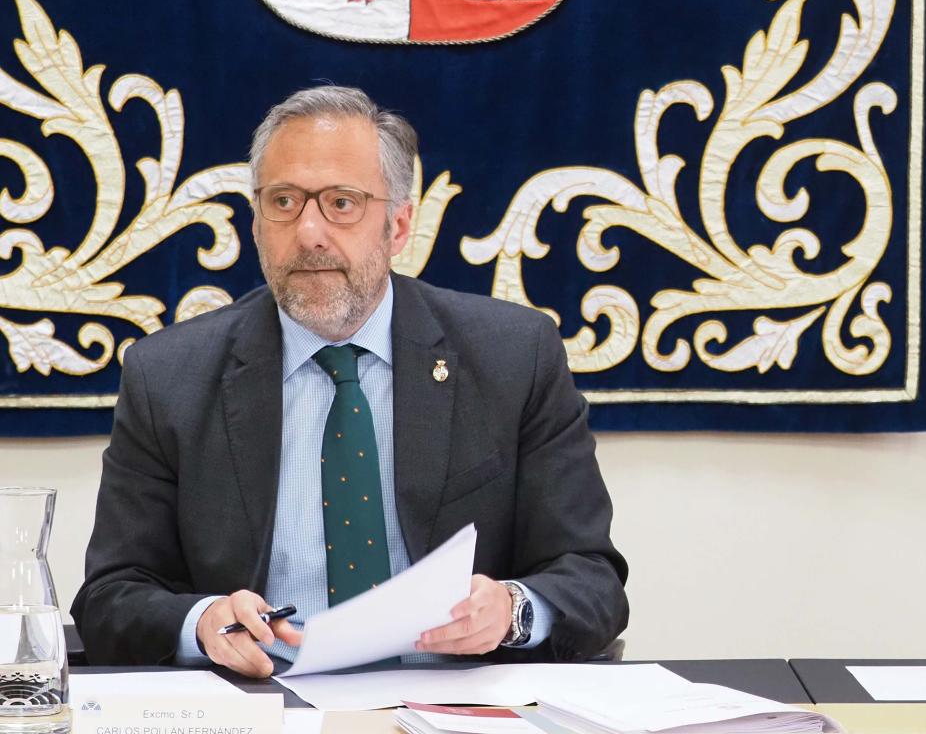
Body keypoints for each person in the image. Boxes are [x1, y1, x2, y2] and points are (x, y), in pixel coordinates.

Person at [72, 85, 628, 673]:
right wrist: (202, 622)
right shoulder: (168, 375)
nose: (309, 233)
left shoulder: (514, 357)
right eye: (283, 201)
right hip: (264, 702)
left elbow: (591, 579)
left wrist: (512, 611)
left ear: (398, 225)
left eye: (341, 203)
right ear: (257, 223)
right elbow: (111, 597)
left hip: (447, 705)